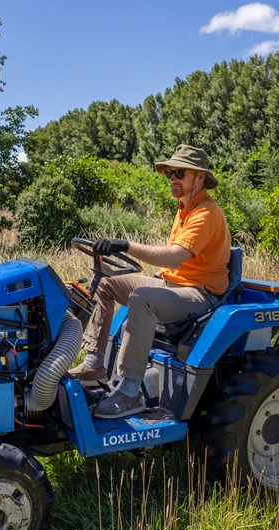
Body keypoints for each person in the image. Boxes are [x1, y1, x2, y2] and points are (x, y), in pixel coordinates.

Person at [67, 145, 231, 419]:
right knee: (107, 284)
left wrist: (126, 245)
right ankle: (94, 363)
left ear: (200, 177)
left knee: (141, 299)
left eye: (179, 172)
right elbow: (179, 264)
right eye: (169, 172)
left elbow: (174, 258)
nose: (172, 178)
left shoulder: (205, 213)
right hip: (175, 285)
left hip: (201, 294)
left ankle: (131, 392)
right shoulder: (185, 209)